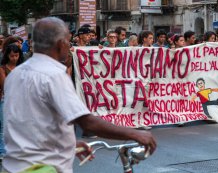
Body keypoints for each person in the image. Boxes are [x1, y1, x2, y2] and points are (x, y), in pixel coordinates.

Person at [3, 17, 156, 173]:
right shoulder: (54, 75)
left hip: (13, 166)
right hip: (43, 168)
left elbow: (32, 121)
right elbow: (87, 122)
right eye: (68, 41)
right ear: (60, 43)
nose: (69, 46)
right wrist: (134, 133)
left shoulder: (16, 74)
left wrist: (70, 143)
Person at [0, 44, 24, 160]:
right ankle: (3, 152)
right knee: (5, 126)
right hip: (6, 101)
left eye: (16, 55)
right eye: (11, 56)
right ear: (7, 56)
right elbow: (6, 86)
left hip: (21, 101)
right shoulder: (3, 69)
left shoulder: (23, 67)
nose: (14, 58)